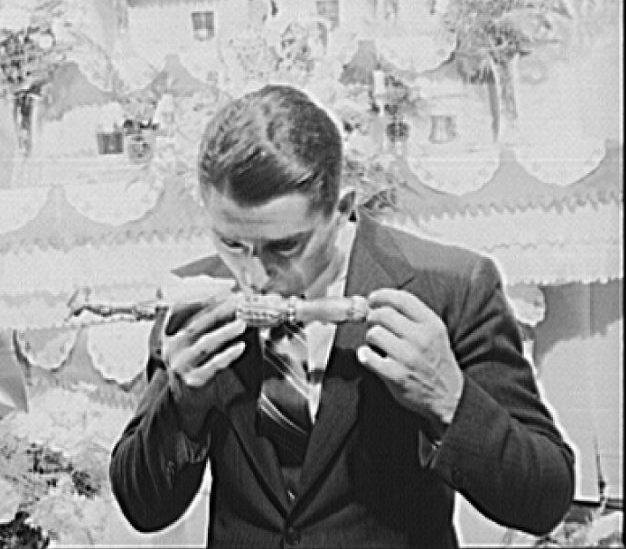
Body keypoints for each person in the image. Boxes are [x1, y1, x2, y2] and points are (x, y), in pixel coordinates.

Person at [110, 84, 575, 548]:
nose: (254, 275)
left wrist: (449, 401)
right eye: (232, 243)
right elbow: (144, 509)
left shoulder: (452, 287)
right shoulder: (194, 298)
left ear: (343, 209)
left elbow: (544, 501)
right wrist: (182, 408)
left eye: (284, 246)